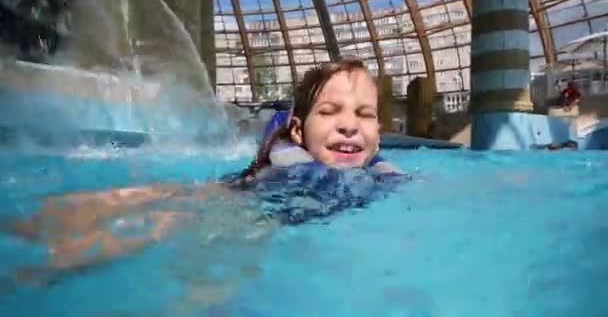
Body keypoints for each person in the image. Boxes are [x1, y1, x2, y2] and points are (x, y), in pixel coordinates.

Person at [6, 57, 409, 280]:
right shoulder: (301, 172)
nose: (350, 124)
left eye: (365, 114)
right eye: (330, 111)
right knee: (150, 224)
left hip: (233, 199)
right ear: (299, 131)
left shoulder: (374, 172)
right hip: (241, 206)